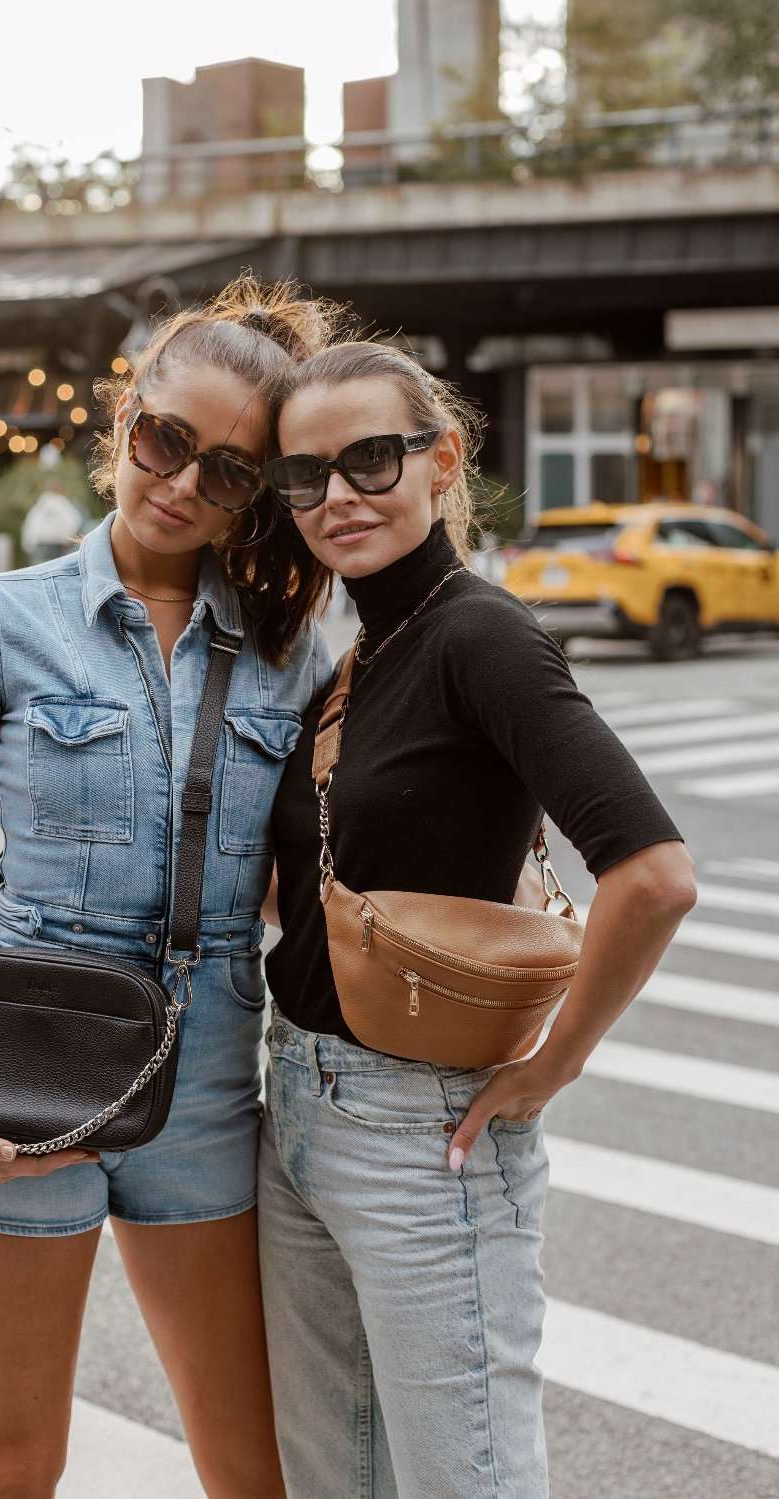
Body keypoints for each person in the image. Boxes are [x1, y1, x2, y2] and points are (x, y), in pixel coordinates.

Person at [0, 277, 337, 1499]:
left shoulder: (294, 656)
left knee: (252, 1464)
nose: (181, 484)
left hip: (209, 1089)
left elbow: (309, 900)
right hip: (14, 1072)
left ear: (256, 498)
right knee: (13, 1464)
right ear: (122, 418)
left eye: (228, 472)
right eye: (164, 440)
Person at [257, 339, 698, 1499]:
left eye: (367, 458)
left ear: (440, 457)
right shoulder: (367, 649)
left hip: (420, 1135)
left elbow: (651, 873)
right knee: (334, 1480)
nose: (336, 496)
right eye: (304, 475)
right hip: (297, 1105)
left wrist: (552, 1065)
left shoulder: (480, 635)